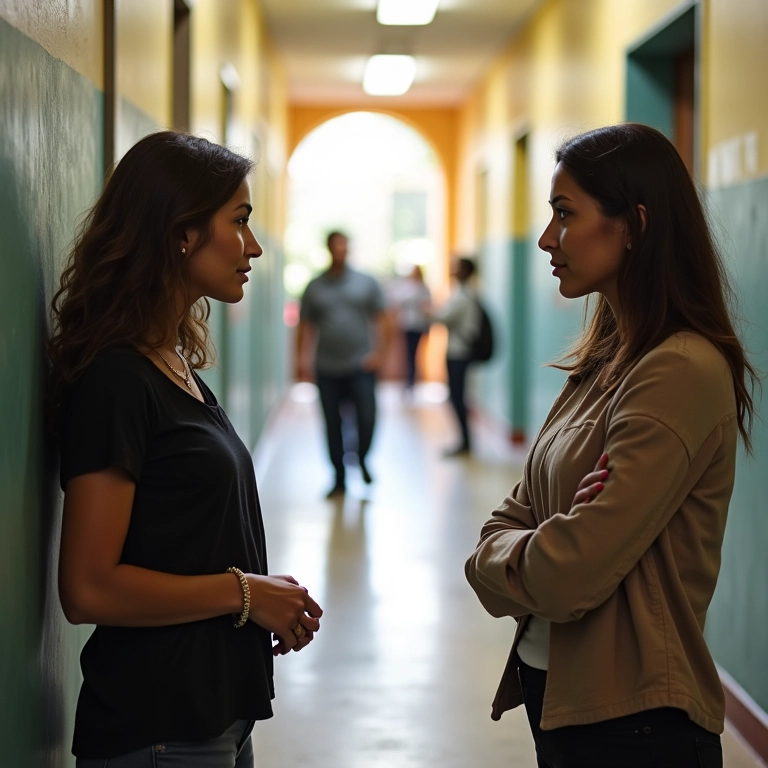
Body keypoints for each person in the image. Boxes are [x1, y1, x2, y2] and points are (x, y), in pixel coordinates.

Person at [465, 123, 757, 768]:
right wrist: (539, 539)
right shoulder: (605, 361)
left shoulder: (678, 370)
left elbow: (571, 574)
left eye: (565, 214)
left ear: (635, 224)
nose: (546, 238)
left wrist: (523, 550)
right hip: (562, 697)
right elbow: (507, 522)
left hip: (636, 724)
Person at [49, 131, 323, 767]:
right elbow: (87, 589)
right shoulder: (117, 380)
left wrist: (260, 597)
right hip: (159, 727)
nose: (254, 247)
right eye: (240, 221)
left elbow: (181, 539)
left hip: (212, 714)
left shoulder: (171, 362)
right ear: (180, 233)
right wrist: (245, 592)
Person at [295, 231, 392, 498]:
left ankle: (361, 458)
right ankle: (339, 478)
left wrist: (380, 354)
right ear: (328, 249)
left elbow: (384, 319)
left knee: (367, 418)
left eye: (344, 246)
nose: (340, 250)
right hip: (327, 367)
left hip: (361, 366)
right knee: (332, 423)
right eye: (335, 246)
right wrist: (301, 360)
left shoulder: (366, 282)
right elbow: (304, 326)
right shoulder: (315, 286)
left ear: (348, 249)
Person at [431, 257, 481, 456]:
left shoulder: (463, 296)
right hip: (459, 352)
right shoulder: (465, 293)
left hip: (458, 353)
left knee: (457, 397)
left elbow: (442, 318)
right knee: (457, 396)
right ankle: (464, 441)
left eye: (457, 267)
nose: (453, 270)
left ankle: (465, 442)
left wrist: (427, 311)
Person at [393, 264, 432, 392]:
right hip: (406, 325)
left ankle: (411, 382)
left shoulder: (423, 289)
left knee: (413, 355)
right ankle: (408, 381)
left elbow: (427, 308)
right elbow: (398, 301)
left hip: (418, 326)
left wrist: (428, 327)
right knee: (408, 355)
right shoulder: (406, 287)